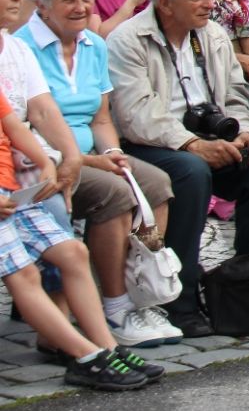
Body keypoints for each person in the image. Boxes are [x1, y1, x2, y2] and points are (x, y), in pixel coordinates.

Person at [9, 0, 179, 348]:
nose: (81, 7)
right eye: (68, 0)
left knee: (156, 184)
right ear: (43, 6)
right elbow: (29, 123)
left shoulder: (93, 45)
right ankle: (115, 307)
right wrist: (86, 161)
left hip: (87, 151)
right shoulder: (25, 47)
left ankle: (139, 293)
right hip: (40, 159)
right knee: (113, 192)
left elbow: (101, 117)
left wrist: (113, 152)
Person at [107, 0, 249, 337]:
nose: (210, 3)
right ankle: (179, 300)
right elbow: (136, 114)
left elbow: (235, 94)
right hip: (149, 143)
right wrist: (191, 144)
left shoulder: (213, 35)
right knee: (191, 172)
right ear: (166, 4)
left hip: (207, 138)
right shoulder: (128, 40)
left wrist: (244, 132)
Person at [0, 123, 166, 390]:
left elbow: (15, 127)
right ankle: (86, 357)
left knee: (74, 253)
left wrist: (45, 162)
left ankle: (107, 348)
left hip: (11, 193)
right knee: (23, 275)